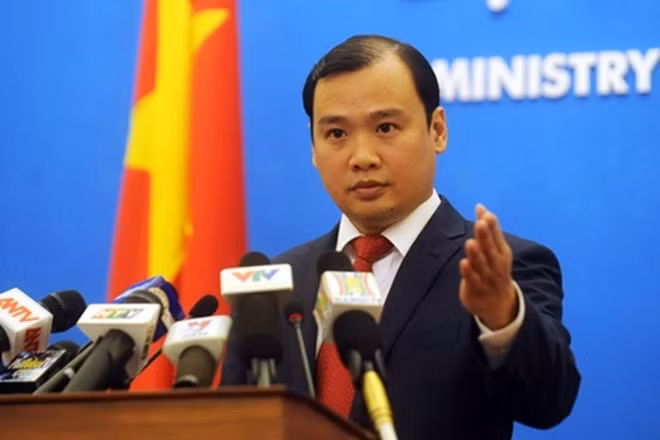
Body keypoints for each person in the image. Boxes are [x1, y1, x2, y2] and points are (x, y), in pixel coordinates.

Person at [222, 35, 580, 439]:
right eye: (336, 134)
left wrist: (501, 316)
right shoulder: (275, 283)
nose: (362, 157)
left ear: (437, 130)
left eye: (385, 127)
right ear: (313, 148)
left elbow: (548, 402)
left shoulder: (502, 269)